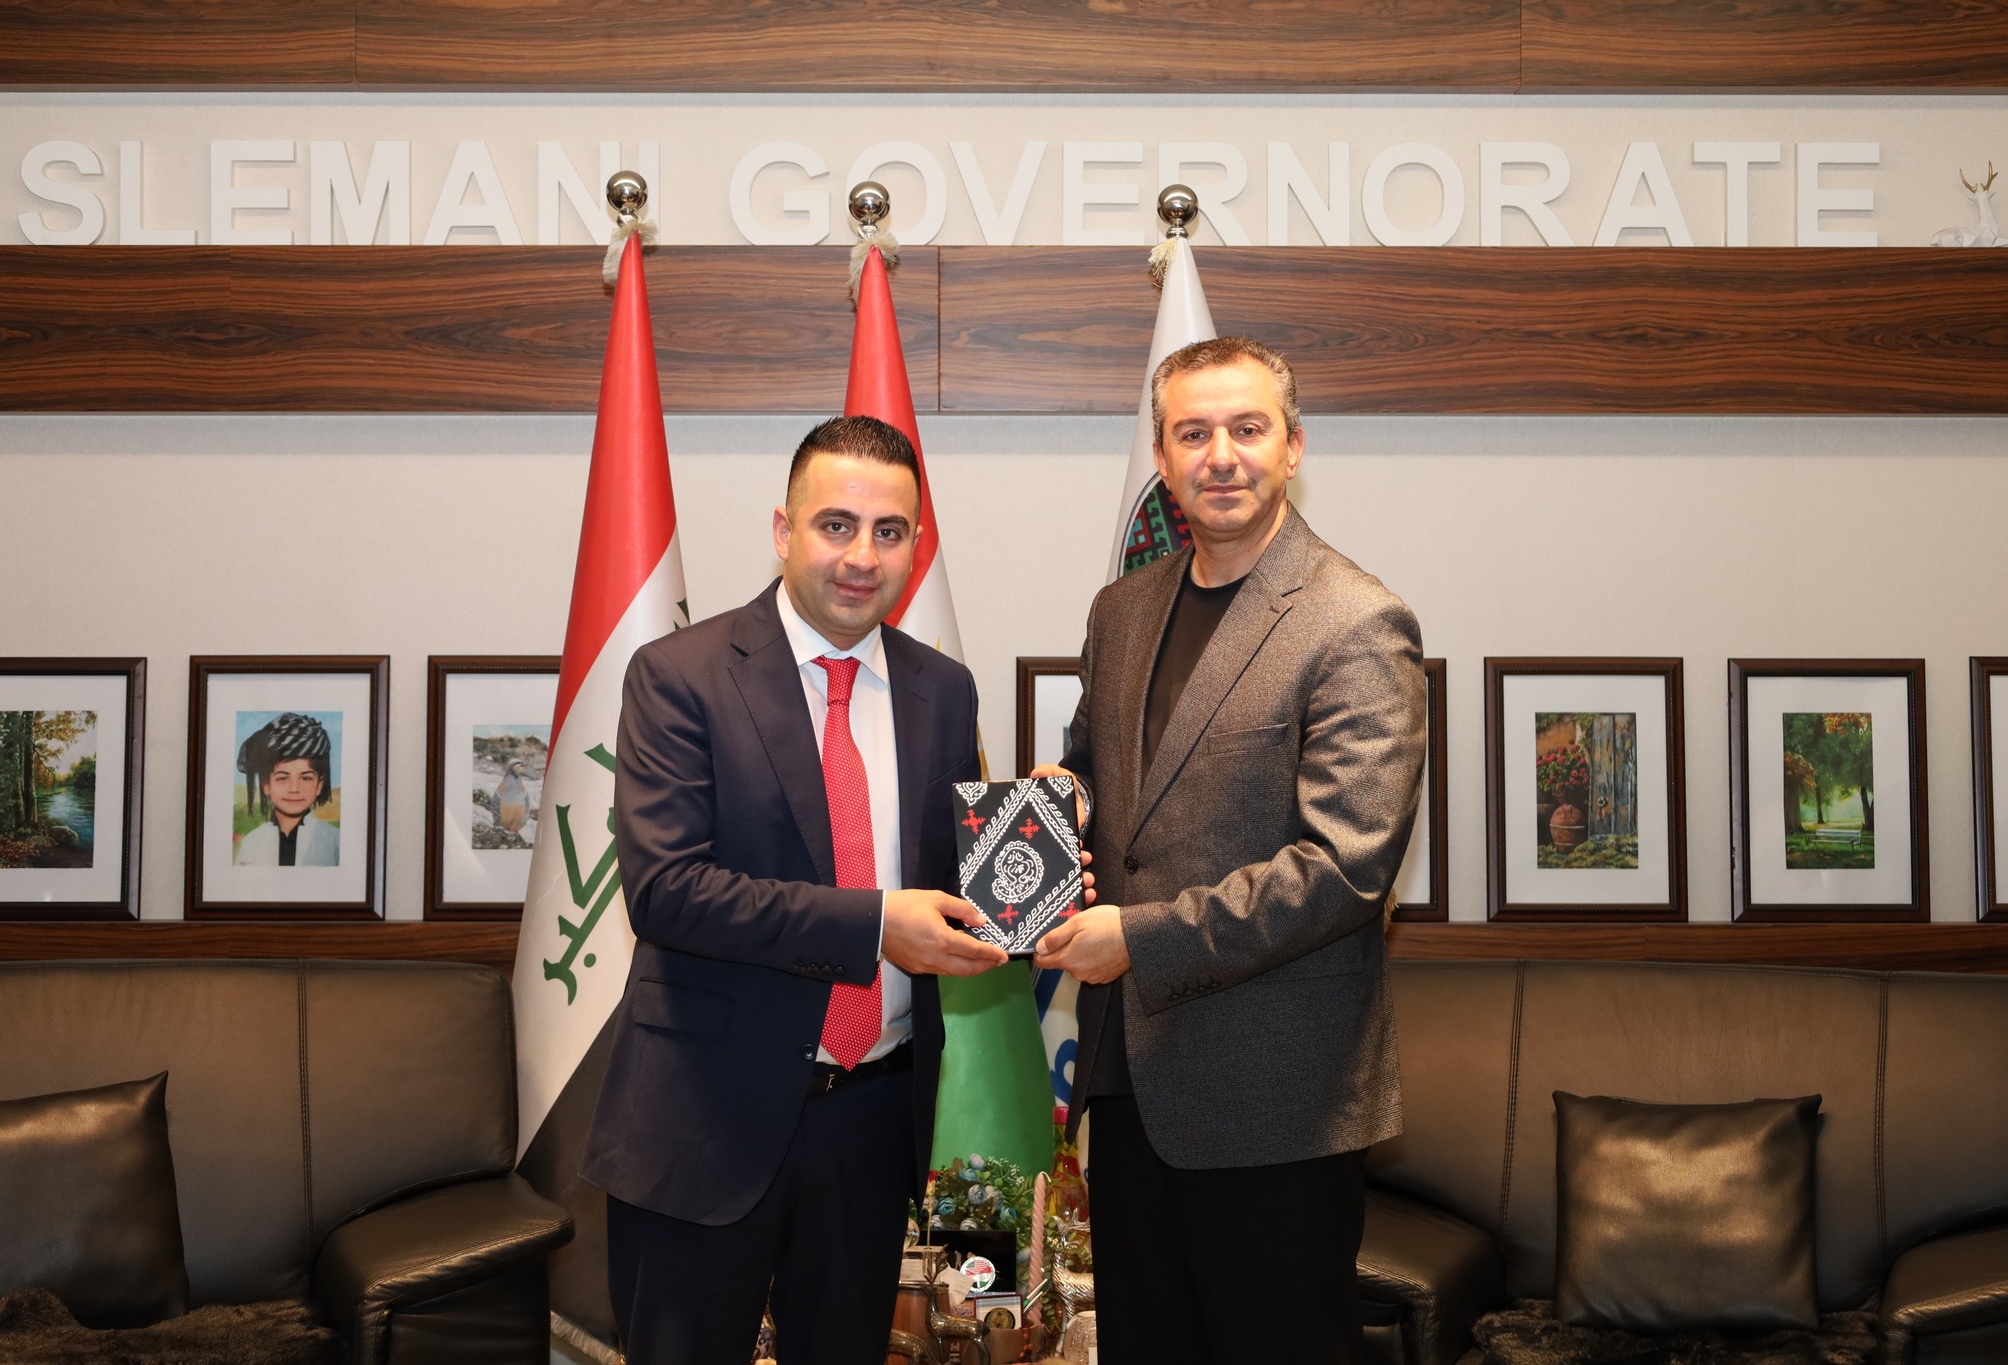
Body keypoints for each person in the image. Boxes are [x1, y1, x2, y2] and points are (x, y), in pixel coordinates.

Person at [581, 415, 1012, 1365]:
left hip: (874, 1121)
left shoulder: (945, 690)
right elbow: (669, 891)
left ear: (916, 546)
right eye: (836, 525)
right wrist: (877, 925)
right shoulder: (680, 675)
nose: (862, 557)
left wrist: (1037, 869)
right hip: (705, 1119)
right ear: (784, 530)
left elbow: (947, 885)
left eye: (889, 531)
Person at [1033, 337, 1426, 1365]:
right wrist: (1053, 807)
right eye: (1192, 433)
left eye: (1246, 429)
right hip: (1131, 1082)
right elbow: (1099, 774)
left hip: (1276, 1101)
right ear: (1162, 460)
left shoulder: (1355, 621)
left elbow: (1343, 867)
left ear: (1292, 446)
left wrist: (1139, 940)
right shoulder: (1123, 611)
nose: (1220, 455)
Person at [233, 712, 341, 867]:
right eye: (282, 778)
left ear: (319, 785)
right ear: (266, 785)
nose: (294, 788)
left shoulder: (335, 842)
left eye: (306, 778)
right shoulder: (252, 843)